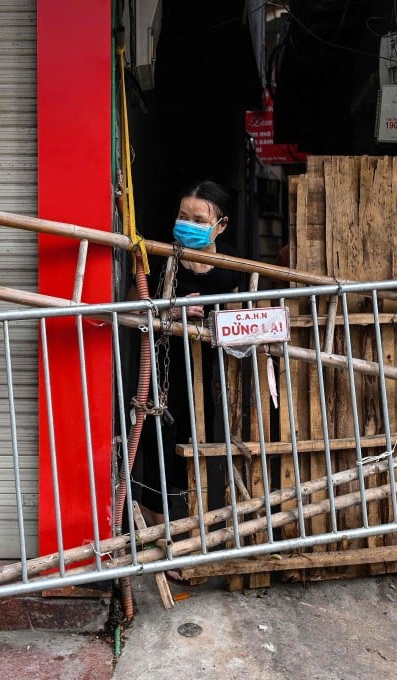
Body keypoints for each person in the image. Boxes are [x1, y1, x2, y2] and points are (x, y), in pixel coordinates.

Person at [137, 180, 243, 527]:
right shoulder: (162, 262)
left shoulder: (232, 273)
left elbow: (245, 321)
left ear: (221, 226)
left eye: (199, 220)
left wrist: (216, 318)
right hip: (165, 375)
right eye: (183, 217)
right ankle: (162, 537)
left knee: (204, 449)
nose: (188, 225)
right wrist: (171, 311)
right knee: (160, 451)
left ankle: (208, 532)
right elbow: (136, 308)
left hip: (213, 378)